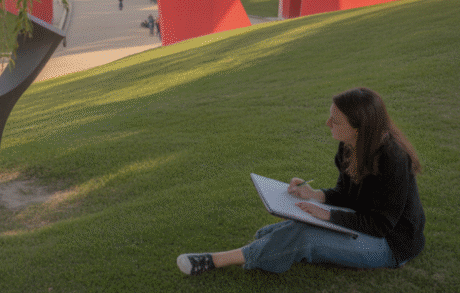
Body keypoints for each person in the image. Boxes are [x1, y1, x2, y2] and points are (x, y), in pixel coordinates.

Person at [177, 87, 425, 275]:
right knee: (279, 230)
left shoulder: (394, 160)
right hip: (361, 221)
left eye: (335, 121)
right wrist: (315, 195)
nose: (327, 124)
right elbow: (346, 194)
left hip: (390, 245)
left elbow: (382, 224)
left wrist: (328, 216)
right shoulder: (349, 146)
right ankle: (270, 250)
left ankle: (215, 260)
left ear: (359, 128)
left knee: (304, 236)